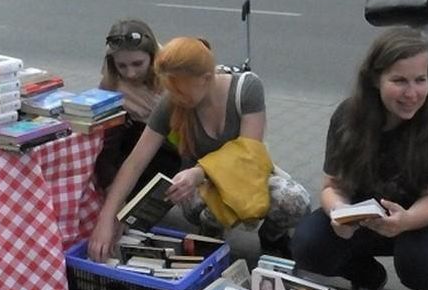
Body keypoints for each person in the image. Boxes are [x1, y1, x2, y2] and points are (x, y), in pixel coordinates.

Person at [291, 28, 428, 290]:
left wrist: (406, 220)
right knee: (307, 243)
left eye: (420, 80)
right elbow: (331, 186)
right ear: (375, 79)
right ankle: (366, 276)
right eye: (399, 80)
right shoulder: (348, 117)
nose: (412, 93)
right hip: (367, 216)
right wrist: (339, 213)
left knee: (422, 260)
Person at [87, 37, 311, 262]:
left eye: (181, 92)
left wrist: (199, 171)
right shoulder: (172, 102)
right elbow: (134, 164)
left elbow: (248, 153)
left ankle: (272, 238)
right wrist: (107, 219)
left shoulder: (246, 88)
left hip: (245, 176)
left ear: (206, 79)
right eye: (170, 91)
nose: (176, 98)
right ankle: (210, 239)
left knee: (295, 199)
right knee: (209, 209)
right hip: (200, 190)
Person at [94, 19, 181, 195]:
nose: (130, 73)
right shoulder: (111, 85)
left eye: (137, 64)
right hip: (140, 148)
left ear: (153, 57)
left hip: (178, 146)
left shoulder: (173, 76)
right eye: (122, 66)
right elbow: (108, 140)